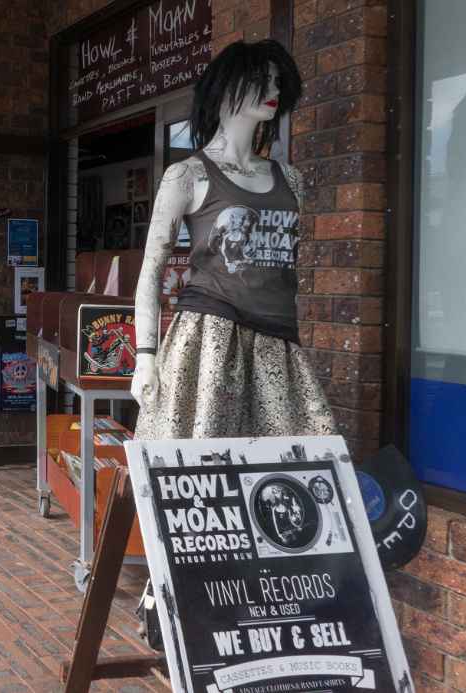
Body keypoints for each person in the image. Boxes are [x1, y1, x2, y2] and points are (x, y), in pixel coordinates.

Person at [132, 40, 335, 440]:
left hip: (277, 340)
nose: (274, 89)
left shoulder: (290, 179)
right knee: (204, 459)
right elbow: (152, 271)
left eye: (278, 82)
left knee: (301, 451)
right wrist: (145, 358)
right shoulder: (188, 175)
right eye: (262, 80)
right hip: (210, 336)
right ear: (226, 87)